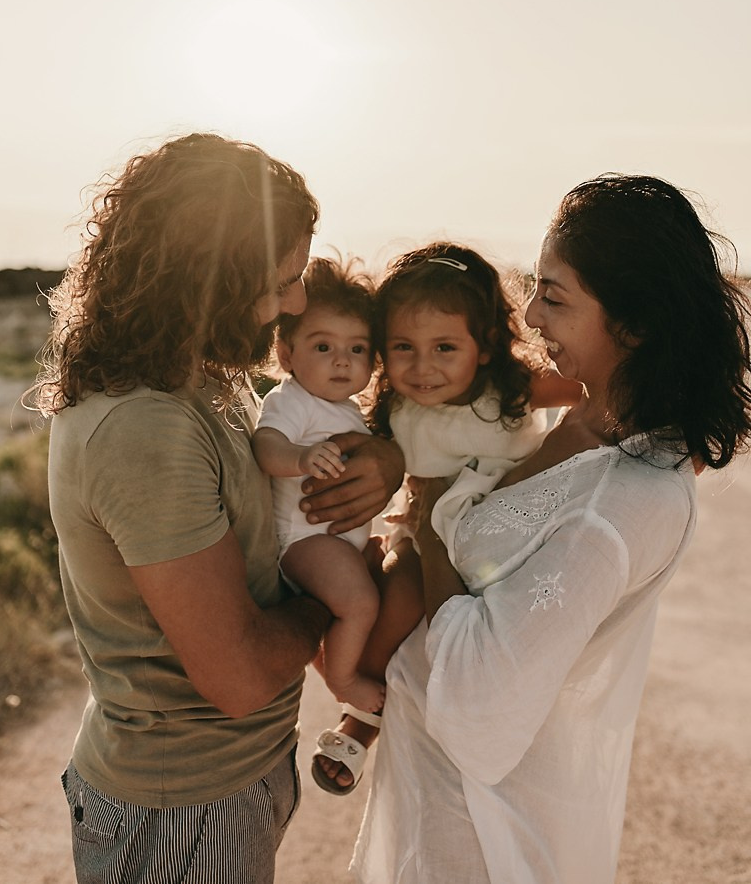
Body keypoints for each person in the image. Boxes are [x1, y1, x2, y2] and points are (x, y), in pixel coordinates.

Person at [351, 175, 751, 884]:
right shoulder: (577, 422)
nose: (531, 315)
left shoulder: (624, 504)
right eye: (534, 288)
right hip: (426, 815)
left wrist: (435, 522)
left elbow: (478, 711)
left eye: (555, 298)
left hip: (483, 845)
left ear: (634, 323)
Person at [31, 132, 403, 884]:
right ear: (214, 274)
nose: (296, 302)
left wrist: (386, 460)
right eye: (281, 282)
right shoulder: (146, 427)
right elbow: (234, 675)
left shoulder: (200, 372)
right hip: (181, 810)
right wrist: (330, 606)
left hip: (226, 782)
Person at [313, 242, 580, 794]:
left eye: (444, 347)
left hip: (507, 532)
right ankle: (363, 720)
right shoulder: (395, 412)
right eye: (404, 347)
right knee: (397, 596)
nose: (422, 366)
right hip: (426, 530)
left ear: (483, 347)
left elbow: (590, 391)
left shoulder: (507, 393)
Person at [252, 255, 385, 715]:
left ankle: (343, 661)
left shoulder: (350, 411)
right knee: (360, 601)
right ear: (287, 355)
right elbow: (265, 447)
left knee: (379, 585)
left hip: (334, 542)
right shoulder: (295, 401)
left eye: (357, 349)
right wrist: (301, 458)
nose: (342, 361)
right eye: (323, 347)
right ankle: (342, 680)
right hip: (303, 541)